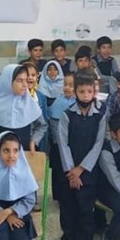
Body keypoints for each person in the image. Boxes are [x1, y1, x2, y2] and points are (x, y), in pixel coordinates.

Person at [57, 73, 107, 240]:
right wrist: (71, 171)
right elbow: (63, 143)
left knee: (86, 212)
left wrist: (81, 169)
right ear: (75, 92)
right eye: (81, 91)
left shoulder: (100, 116)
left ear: (94, 92)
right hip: (68, 172)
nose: (86, 95)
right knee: (68, 209)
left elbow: (98, 144)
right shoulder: (66, 114)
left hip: (88, 172)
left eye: (89, 91)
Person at [0, 64, 47, 154]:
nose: (25, 85)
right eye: (20, 80)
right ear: (8, 81)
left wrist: (34, 141)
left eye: (25, 80)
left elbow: (42, 125)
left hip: (24, 154)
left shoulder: (30, 104)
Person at [47, 73, 75, 205]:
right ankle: (59, 197)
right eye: (65, 85)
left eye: (71, 85)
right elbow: (52, 120)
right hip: (57, 143)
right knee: (58, 171)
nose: (67, 88)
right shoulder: (59, 100)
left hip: (72, 144)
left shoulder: (77, 103)